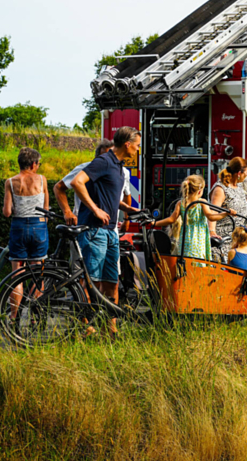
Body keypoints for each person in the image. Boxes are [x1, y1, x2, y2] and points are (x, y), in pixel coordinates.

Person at [68, 126, 141, 336]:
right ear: (127, 144)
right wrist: (95, 209)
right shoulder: (103, 161)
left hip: (110, 231)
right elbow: (77, 182)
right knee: (92, 281)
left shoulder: (118, 166)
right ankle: (86, 327)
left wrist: (125, 208)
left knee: (111, 281)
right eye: (137, 146)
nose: (138, 150)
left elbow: (107, 194)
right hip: (94, 230)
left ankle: (111, 329)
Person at [2, 147, 49, 320]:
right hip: (39, 227)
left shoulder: (10, 182)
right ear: (34, 163)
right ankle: (36, 315)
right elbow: (46, 210)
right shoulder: (42, 180)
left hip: (19, 226)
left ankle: (14, 317)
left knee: (17, 275)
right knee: (38, 273)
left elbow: (7, 212)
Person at [154, 175, 233, 260]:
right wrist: (226, 213)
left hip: (185, 242)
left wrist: (154, 223)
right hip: (199, 241)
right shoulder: (202, 202)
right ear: (199, 191)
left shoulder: (181, 203)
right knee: (199, 264)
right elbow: (211, 217)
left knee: (185, 263)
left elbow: (171, 219)